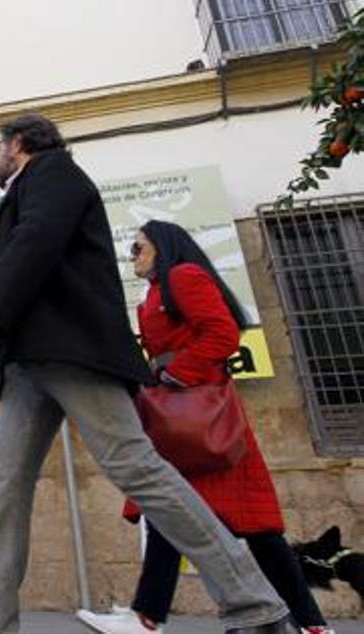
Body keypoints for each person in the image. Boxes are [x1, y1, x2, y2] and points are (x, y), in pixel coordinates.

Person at [0, 114, 297, 634]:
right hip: (30, 362)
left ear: (20, 144)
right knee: (4, 482)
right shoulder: (33, 184)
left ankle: (257, 608)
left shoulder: (54, 172)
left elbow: (38, 240)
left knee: (138, 469)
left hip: (73, 352)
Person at [76, 221, 333, 634]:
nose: (132, 255)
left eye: (138, 246)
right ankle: (147, 617)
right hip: (183, 419)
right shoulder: (156, 293)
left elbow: (223, 333)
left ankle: (311, 625)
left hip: (204, 418)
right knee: (171, 512)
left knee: (256, 530)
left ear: (162, 245)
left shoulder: (184, 277)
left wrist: (175, 374)